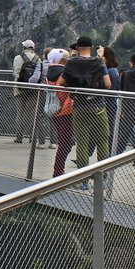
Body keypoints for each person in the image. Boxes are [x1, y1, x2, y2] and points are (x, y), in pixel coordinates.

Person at [63, 36, 111, 173]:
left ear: (77, 48)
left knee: (82, 143)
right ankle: (103, 176)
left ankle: (82, 178)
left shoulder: (72, 63)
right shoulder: (98, 62)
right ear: (91, 48)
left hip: (79, 106)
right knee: (102, 141)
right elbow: (108, 84)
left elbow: (62, 83)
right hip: (98, 107)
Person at [46, 49, 75, 177]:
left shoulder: (50, 72)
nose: (68, 59)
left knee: (65, 140)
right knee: (66, 142)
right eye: (66, 57)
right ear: (61, 60)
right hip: (66, 110)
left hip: (55, 110)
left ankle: (58, 170)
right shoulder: (64, 73)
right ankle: (58, 171)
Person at [12, 39, 42, 143]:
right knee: (33, 113)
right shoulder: (37, 59)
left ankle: (19, 137)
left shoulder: (18, 58)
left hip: (20, 88)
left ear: (24, 48)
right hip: (33, 89)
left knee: (20, 113)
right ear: (33, 48)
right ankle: (32, 137)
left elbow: (16, 73)